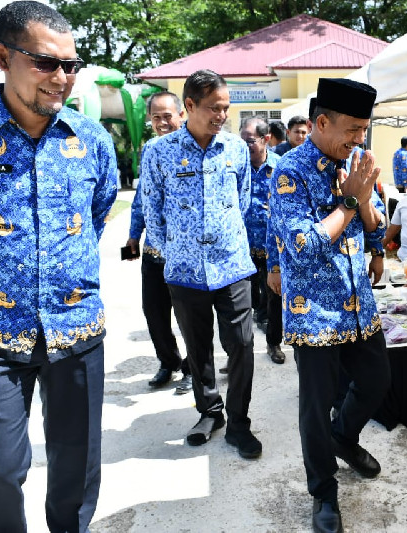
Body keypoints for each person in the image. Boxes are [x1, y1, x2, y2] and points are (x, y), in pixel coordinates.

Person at [0, 2, 116, 530]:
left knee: (76, 468)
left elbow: (97, 213)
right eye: (45, 63)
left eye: (71, 65)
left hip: (76, 327)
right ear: (2, 56)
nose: (62, 78)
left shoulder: (91, 140)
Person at [268, 77, 390, 533]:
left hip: (359, 300)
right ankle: (323, 492)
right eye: (353, 129)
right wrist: (347, 199)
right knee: (315, 407)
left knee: (378, 380)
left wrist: (366, 209)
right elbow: (301, 245)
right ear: (322, 122)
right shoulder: (290, 171)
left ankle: (345, 437)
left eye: (364, 129)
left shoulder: (359, 161)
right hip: (312, 309)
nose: (360, 139)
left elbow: (377, 228)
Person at [141, 69, 262, 459]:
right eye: (214, 108)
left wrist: (226, 239)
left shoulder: (236, 149)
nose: (222, 115)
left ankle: (239, 422)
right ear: (189, 105)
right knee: (198, 348)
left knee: (242, 344)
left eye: (226, 108)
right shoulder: (159, 152)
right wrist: (172, 249)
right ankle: (210, 412)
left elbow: (241, 202)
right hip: (185, 271)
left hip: (232, 266)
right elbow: (152, 208)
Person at [127, 91, 192, 392]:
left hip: (185, 253)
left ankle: (194, 367)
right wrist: (132, 235)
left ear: (181, 114)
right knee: (154, 312)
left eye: (168, 115)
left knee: (188, 316)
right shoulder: (150, 150)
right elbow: (142, 199)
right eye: (156, 117)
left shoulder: (194, 148)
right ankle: (169, 362)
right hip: (154, 252)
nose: (163, 122)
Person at [240, 116, 285, 364]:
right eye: (242, 141)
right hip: (243, 250)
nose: (246, 146)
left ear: (266, 139)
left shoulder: (281, 168)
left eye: (250, 141)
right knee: (239, 306)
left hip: (272, 251)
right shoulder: (236, 167)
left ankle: (274, 343)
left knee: (275, 301)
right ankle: (238, 352)